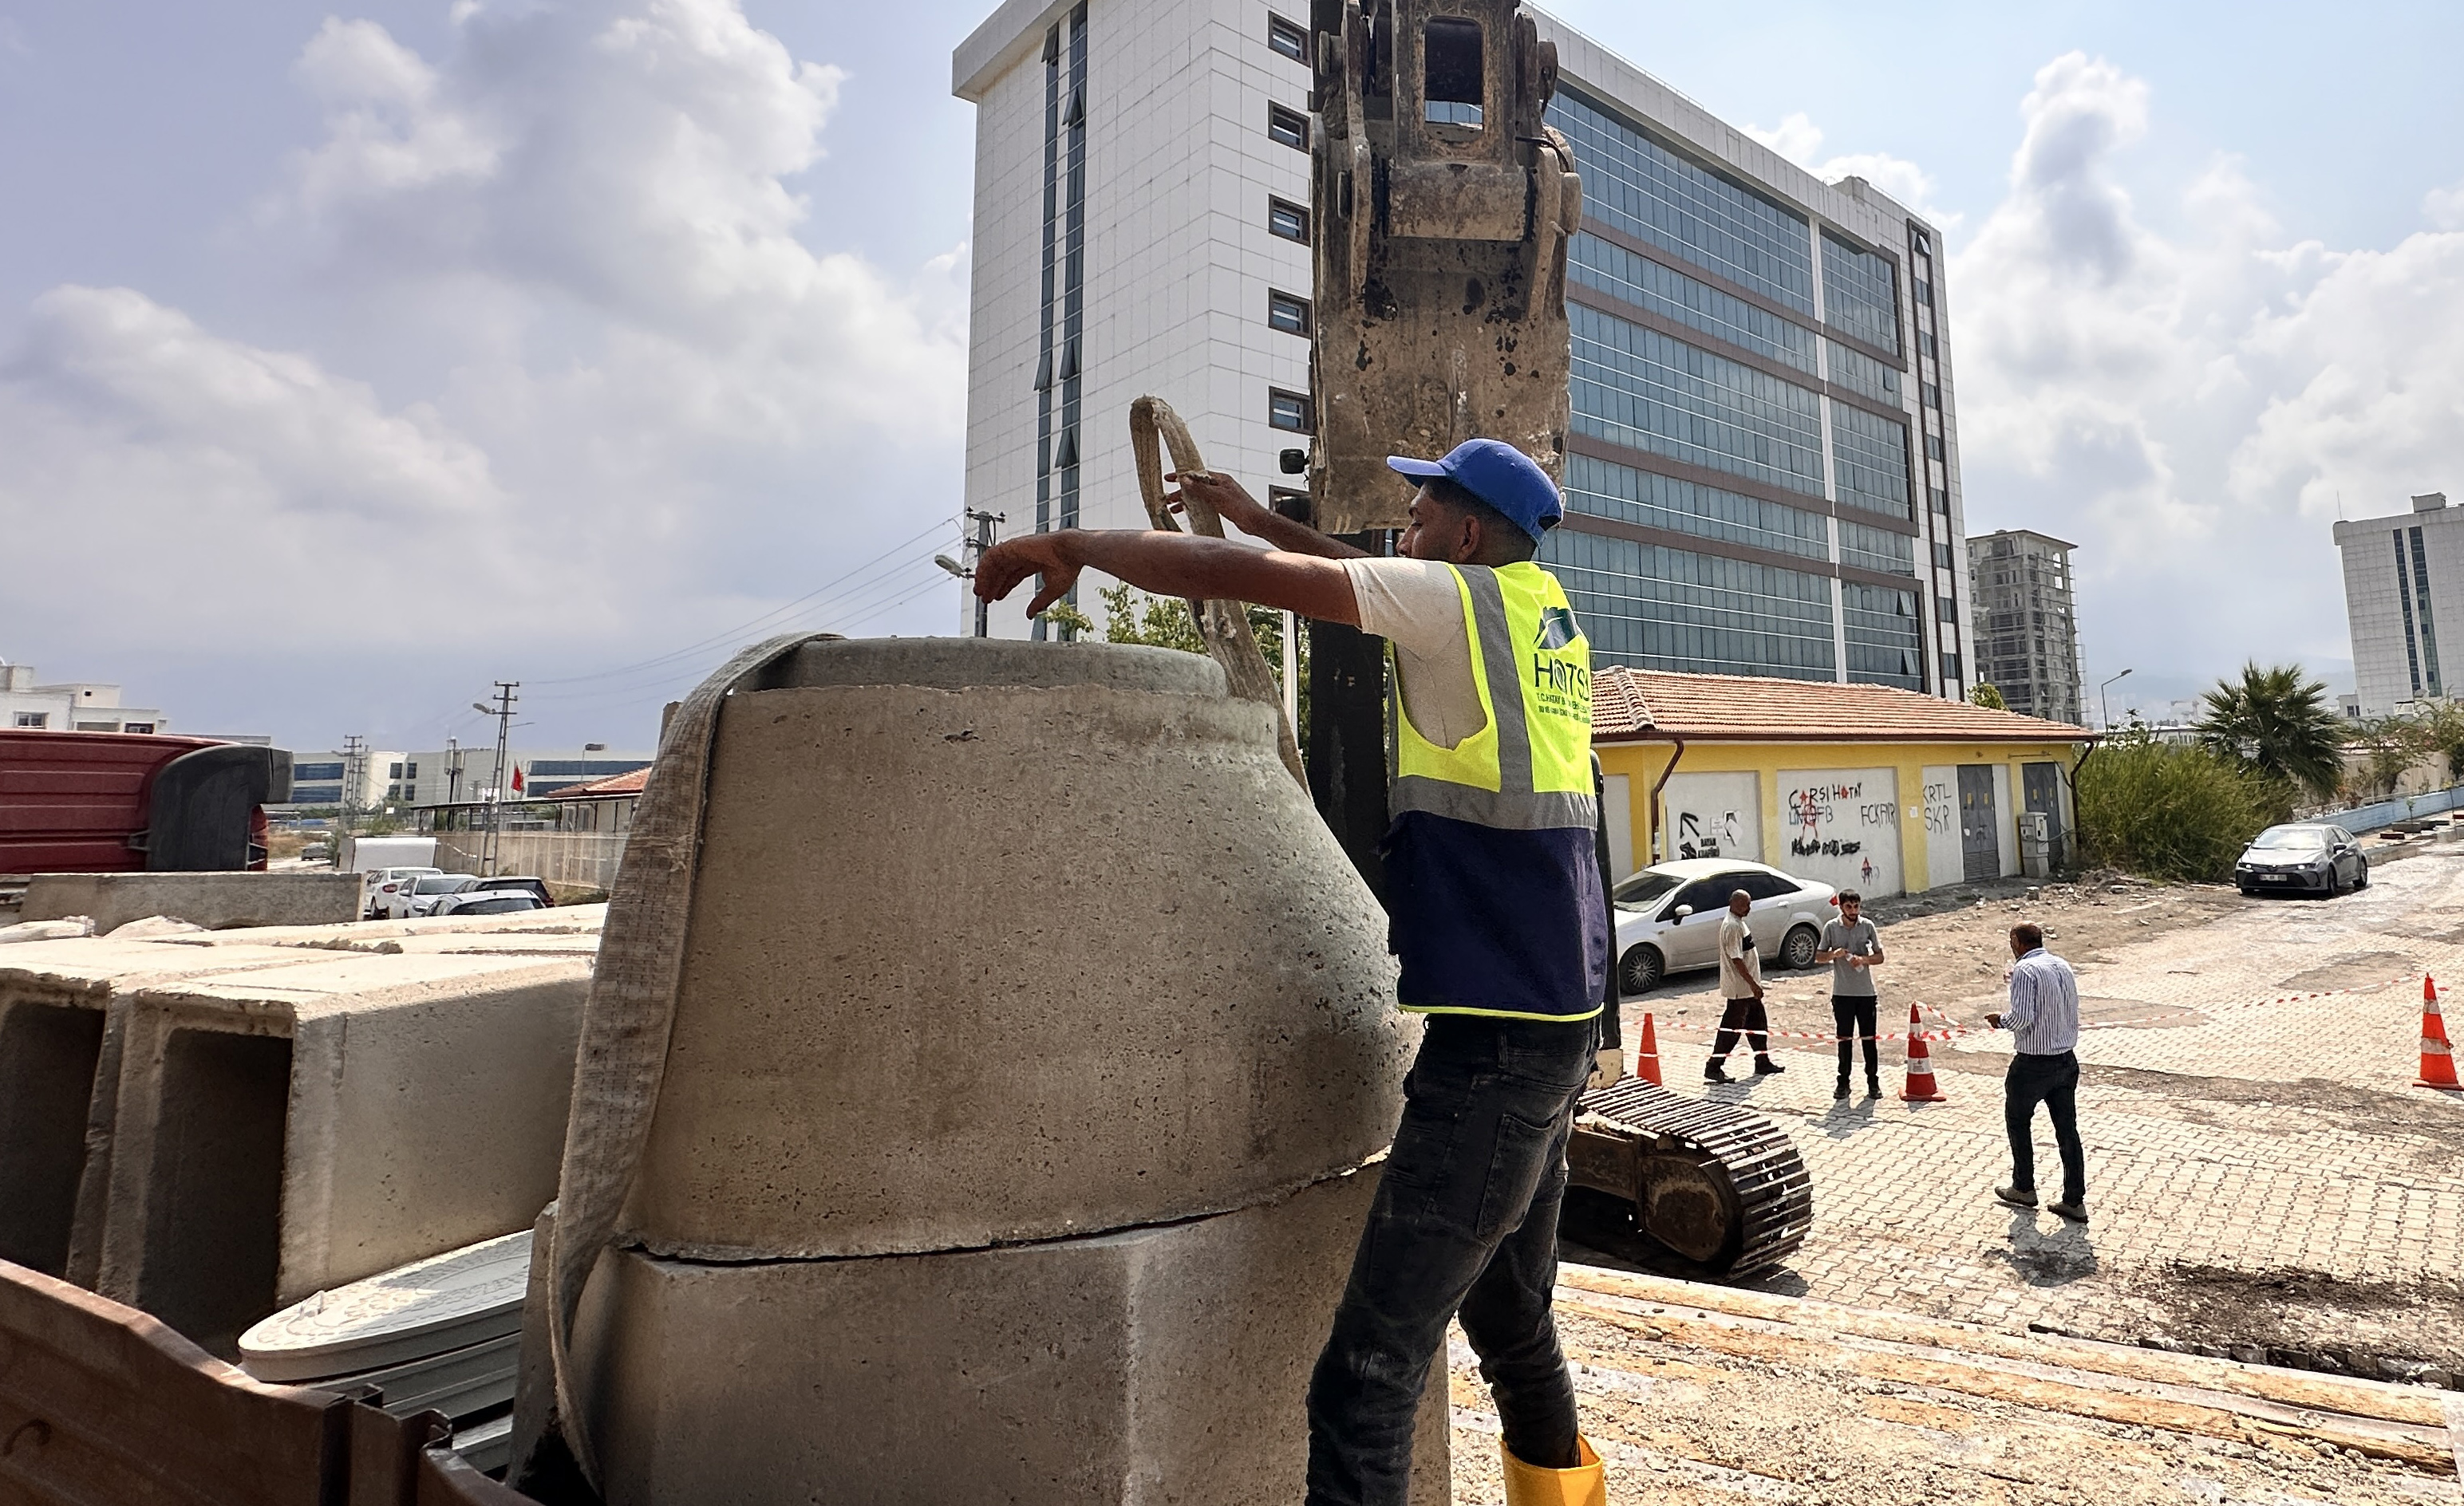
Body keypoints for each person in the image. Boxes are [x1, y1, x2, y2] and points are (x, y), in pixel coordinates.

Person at [973, 437, 1613, 1506]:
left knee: (1366, 1380)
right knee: (1512, 1322)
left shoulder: (1451, 606)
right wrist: (1259, 519)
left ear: (1464, 534)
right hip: (1560, 1020)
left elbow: (1236, 580)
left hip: (1494, 1046)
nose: (1402, 526)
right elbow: (1352, 580)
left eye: (1419, 512)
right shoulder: (1540, 613)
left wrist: (1070, 543)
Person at [1984, 922, 2087, 1222]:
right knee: (2067, 1131)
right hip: (2066, 1060)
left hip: (2032, 1063)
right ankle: (2074, 1199)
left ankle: (2024, 1187)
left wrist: (1999, 1020)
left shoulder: (2024, 971)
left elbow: (2022, 1018)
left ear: (2017, 942)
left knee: (2018, 1123)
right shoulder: (2062, 965)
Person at [1704, 889, 1783, 1082]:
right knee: (1731, 1030)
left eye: (1749, 904)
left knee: (1758, 1024)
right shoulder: (1732, 926)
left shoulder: (1739, 923)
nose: (1748, 908)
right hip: (1740, 989)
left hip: (1748, 989)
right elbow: (1737, 959)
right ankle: (1714, 1067)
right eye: (1745, 904)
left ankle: (1762, 1062)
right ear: (1734, 904)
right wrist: (1753, 984)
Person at [1815, 889, 1886, 1100]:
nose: (1853, 911)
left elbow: (1880, 956)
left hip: (1865, 994)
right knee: (1844, 1040)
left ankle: (1873, 1083)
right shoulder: (1831, 927)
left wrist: (1863, 960)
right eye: (1849, 907)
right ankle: (1843, 1083)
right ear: (1841, 907)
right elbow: (1818, 957)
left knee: (1868, 1040)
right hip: (1842, 994)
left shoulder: (1867, 926)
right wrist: (1833, 955)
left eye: (1856, 906)